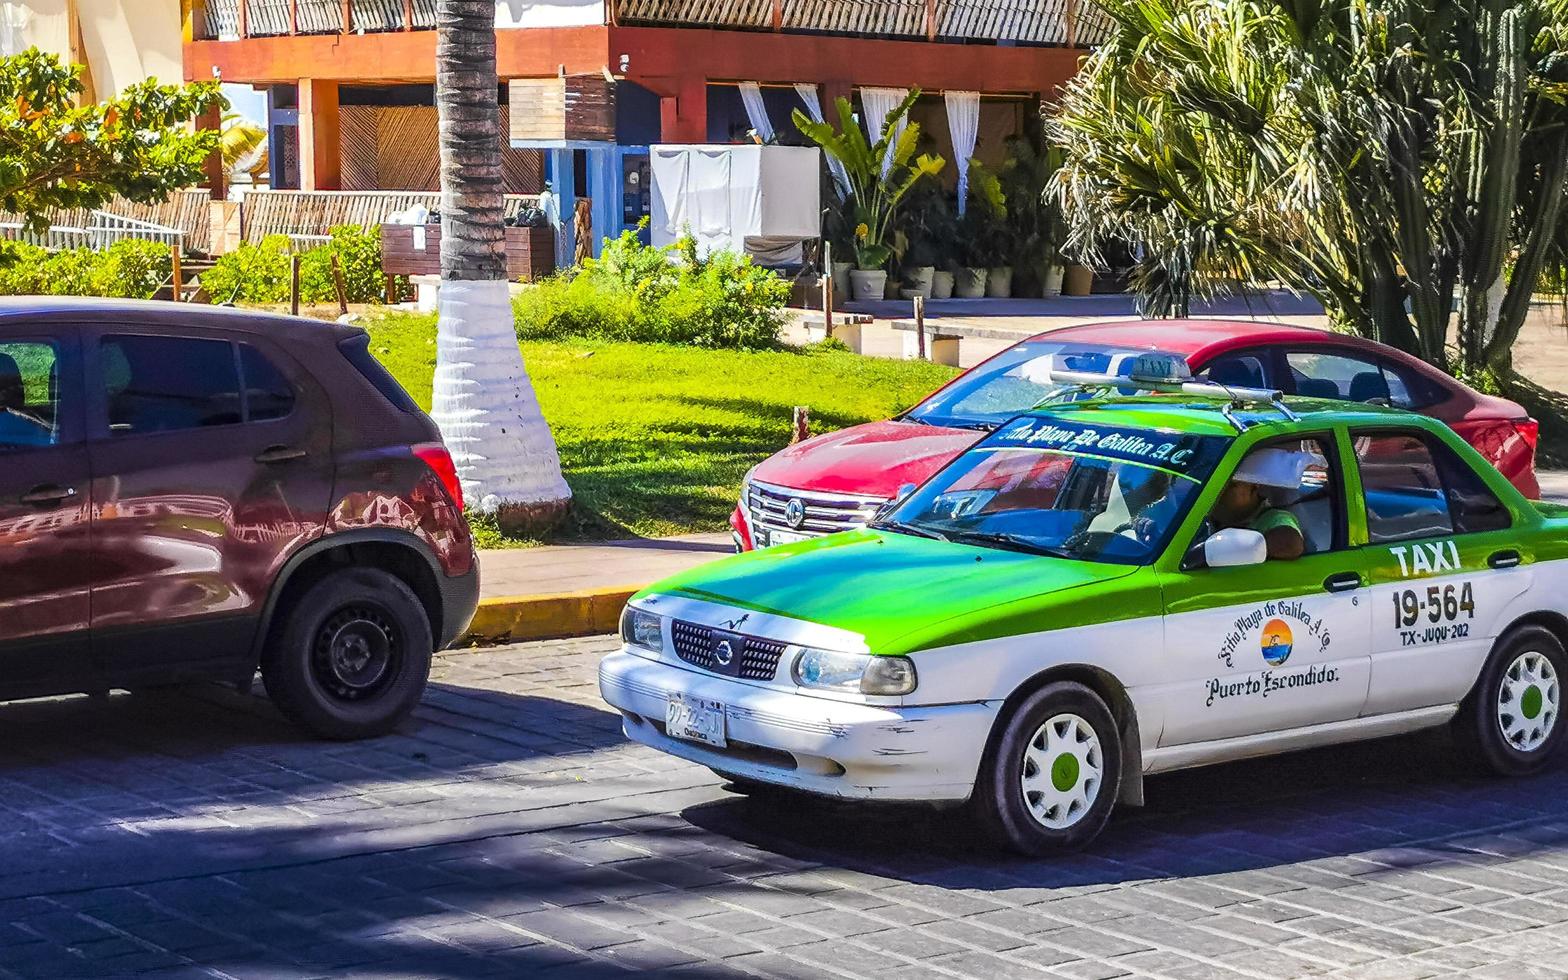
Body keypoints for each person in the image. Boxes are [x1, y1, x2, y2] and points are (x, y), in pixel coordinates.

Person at [1208, 447, 1311, 561]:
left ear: (1253, 486)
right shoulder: (1206, 515)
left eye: (1230, 486)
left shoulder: (1274, 517)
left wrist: (1228, 549)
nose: (1219, 492)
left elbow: (1291, 544)